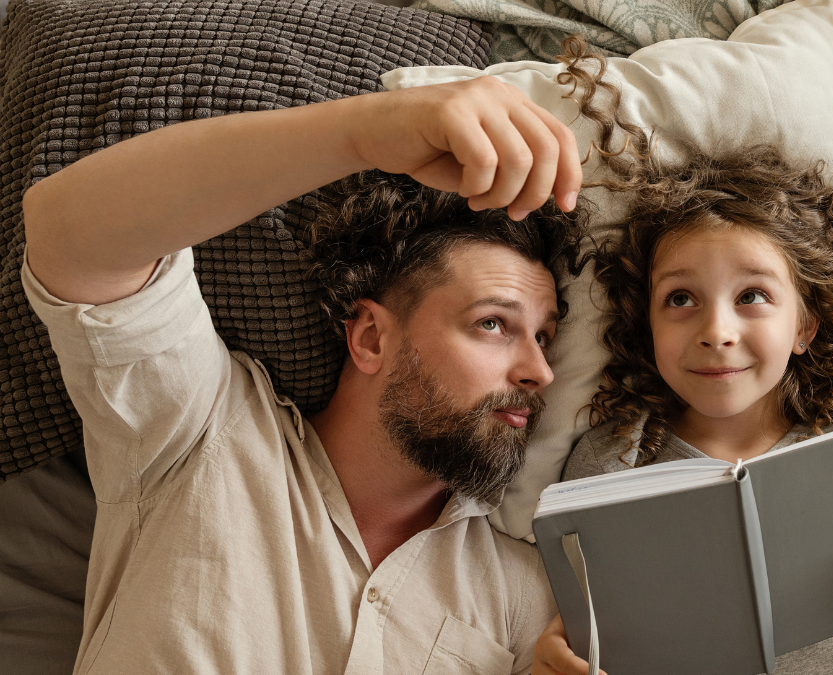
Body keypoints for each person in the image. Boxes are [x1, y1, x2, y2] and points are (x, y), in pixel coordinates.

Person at [21, 76, 587, 674]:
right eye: (494, 324)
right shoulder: (201, 428)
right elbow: (68, 231)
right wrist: (366, 131)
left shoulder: (528, 600)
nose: (540, 371)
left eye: (544, 336)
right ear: (371, 337)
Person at [531, 43, 833, 675]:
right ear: (646, 324)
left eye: (753, 297)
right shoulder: (611, 463)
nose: (717, 331)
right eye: (680, 299)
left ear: (805, 326)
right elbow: (578, 624)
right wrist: (555, 654)